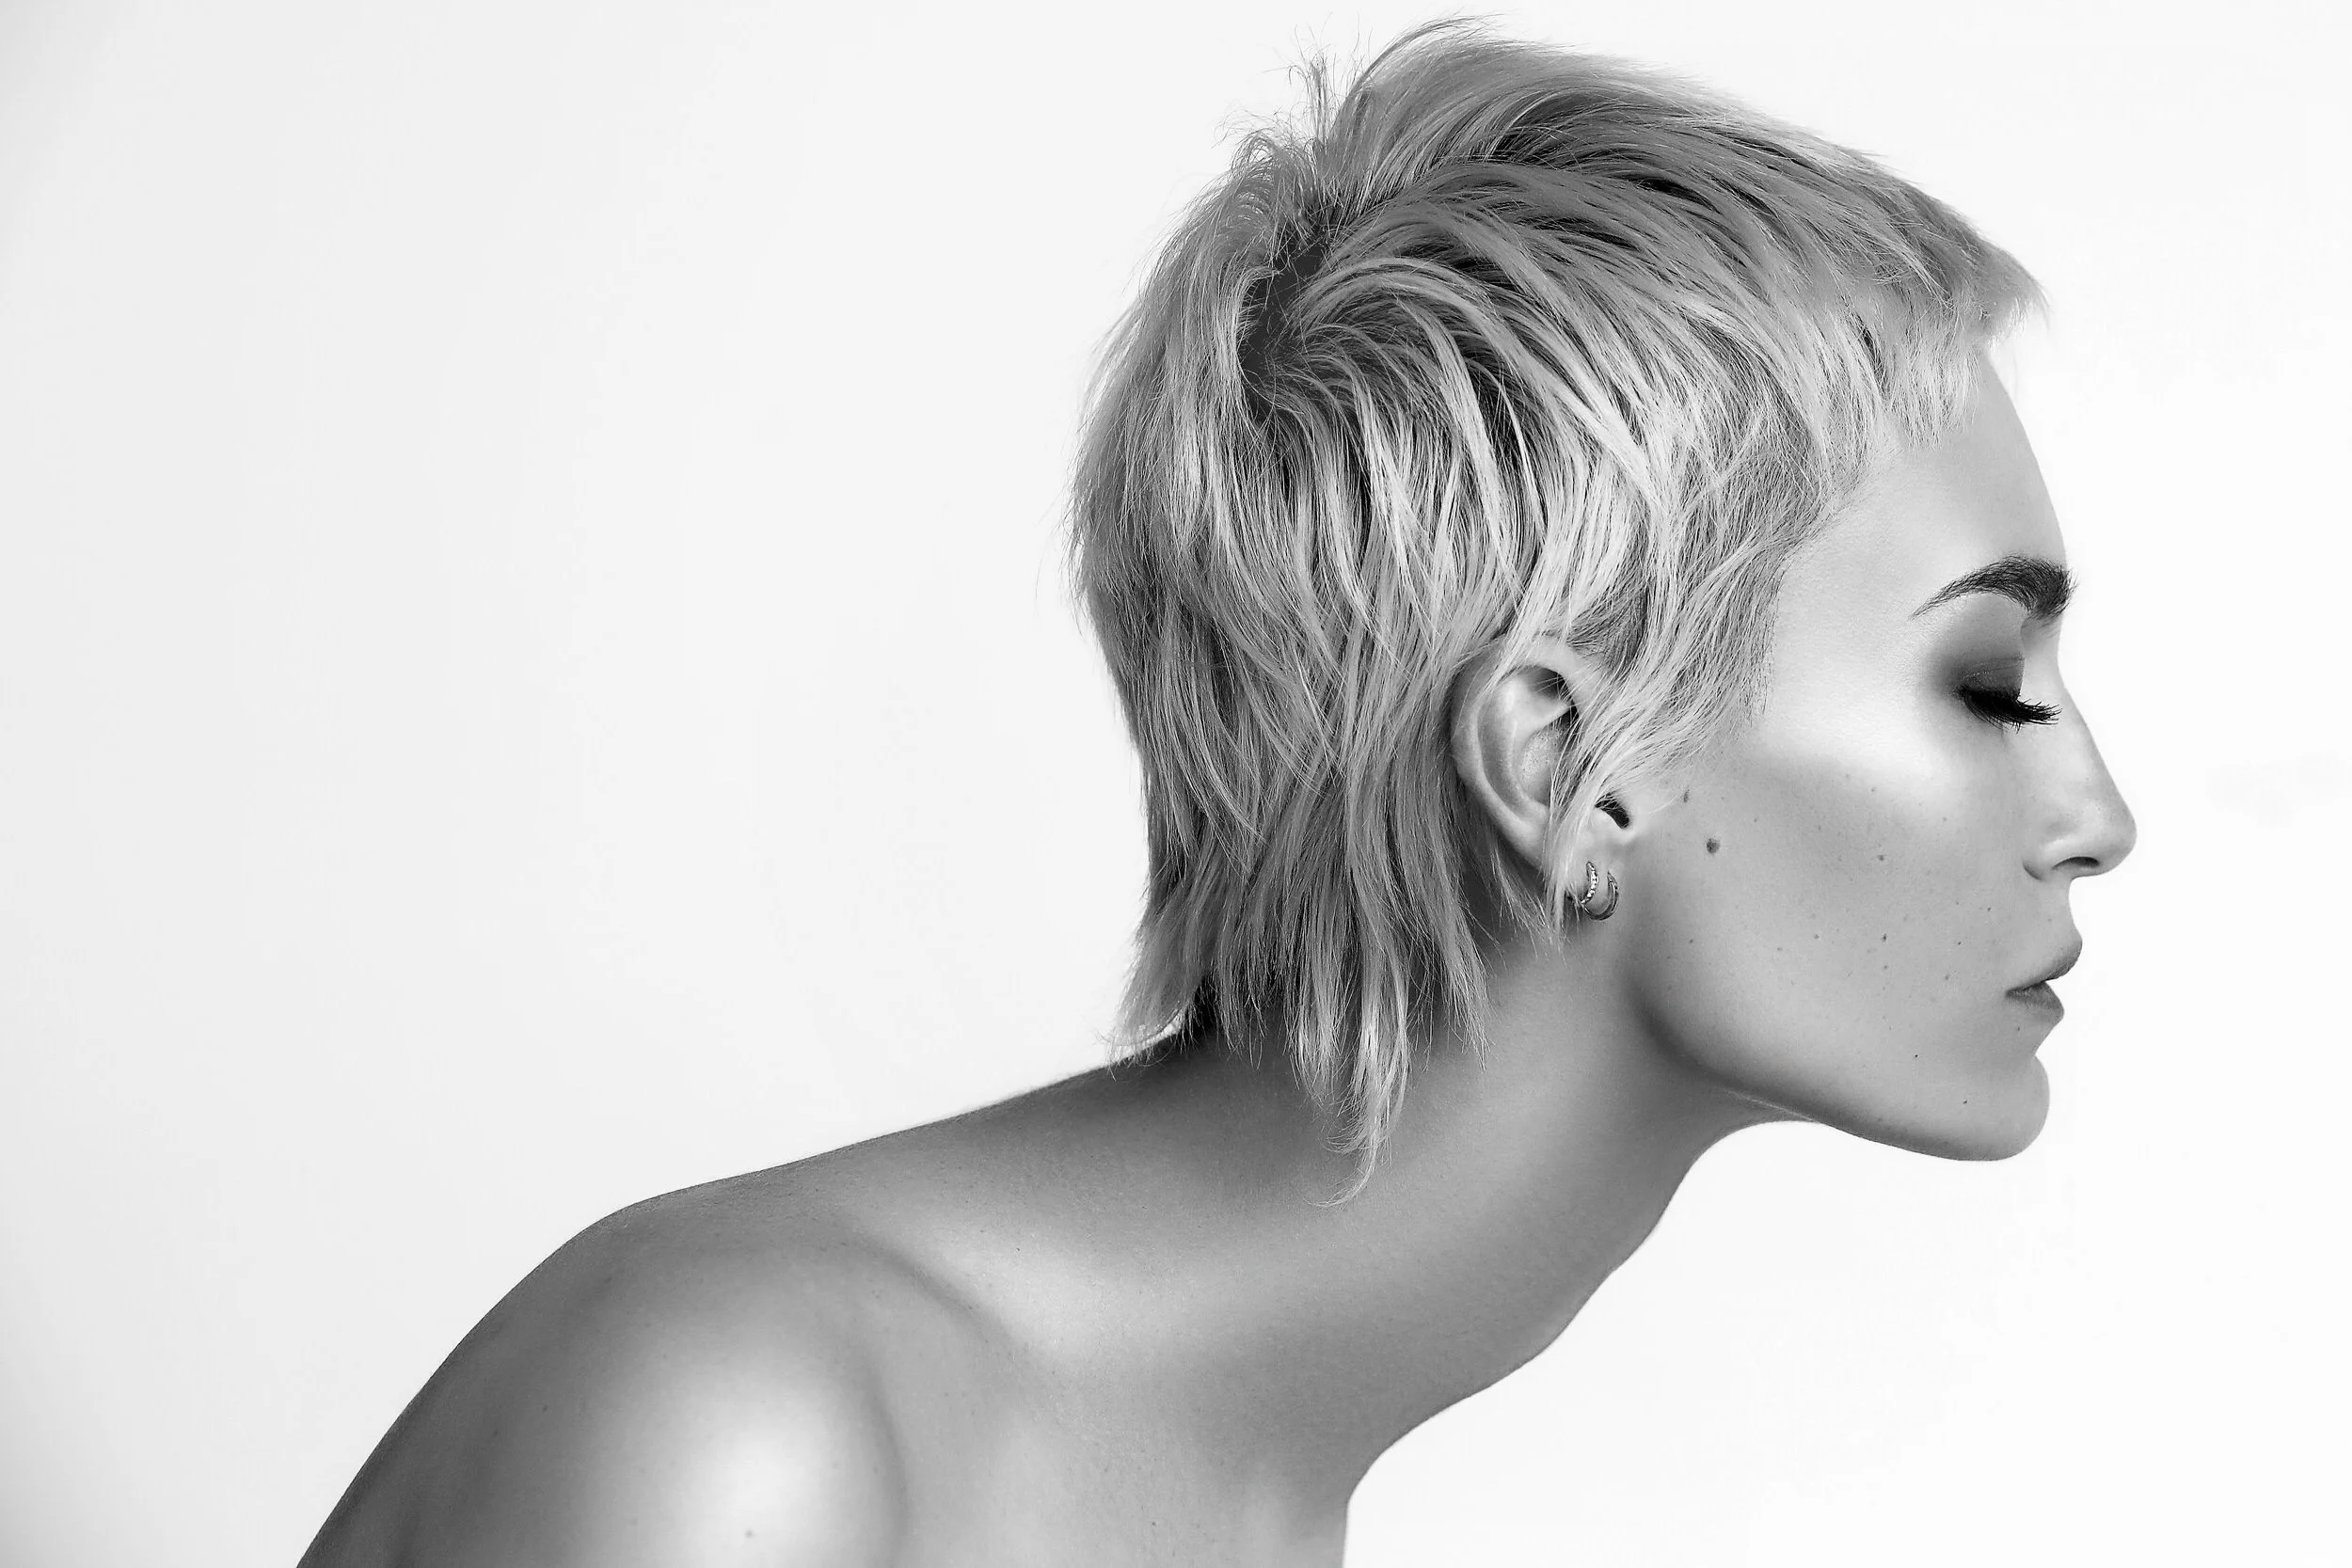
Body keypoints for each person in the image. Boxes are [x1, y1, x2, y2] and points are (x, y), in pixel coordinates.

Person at [297, 20, 2135, 1566]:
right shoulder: (745, 1434)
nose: (2097, 815)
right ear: (1564, 764)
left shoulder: (1231, 1492)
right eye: (1988, 684)